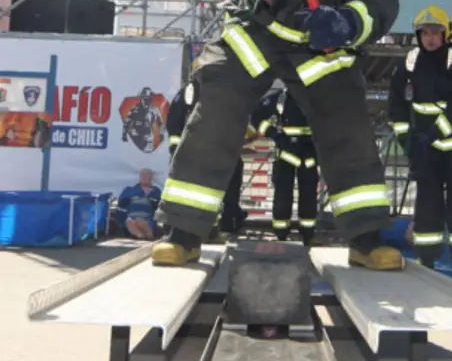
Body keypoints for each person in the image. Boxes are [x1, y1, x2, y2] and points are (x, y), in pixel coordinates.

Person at [152, 0, 403, 271]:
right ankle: (183, 232)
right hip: (259, 29)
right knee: (219, 103)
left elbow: (379, 6)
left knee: (347, 121)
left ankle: (365, 238)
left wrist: (345, 24)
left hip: (318, 46)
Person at [387, 4, 452, 273]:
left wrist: (436, 130)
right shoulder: (407, 63)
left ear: (446, 34)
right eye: (424, 33)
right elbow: (396, 105)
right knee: (427, 204)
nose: (429, 38)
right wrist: (407, 139)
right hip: (424, 149)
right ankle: (427, 256)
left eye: (435, 32)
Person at [166, 76, 249, 235]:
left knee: (225, 181)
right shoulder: (191, 92)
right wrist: (177, 149)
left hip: (215, 149)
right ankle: (184, 227)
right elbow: (174, 121)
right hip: (198, 151)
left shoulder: (223, 93)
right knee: (197, 191)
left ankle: (225, 221)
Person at [250, 87, 320, 246]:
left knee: (308, 192)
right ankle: (281, 233)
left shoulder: (317, 95)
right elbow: (256, 117)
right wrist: (274, 134)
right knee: (283, 192)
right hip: (287, 150)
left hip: (308, 151)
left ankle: (308, 233)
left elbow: (329, 120)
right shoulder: (280, 97)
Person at [116, 169, 162, 240]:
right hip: (132, 217)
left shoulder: (156, 191)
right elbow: (121, 204)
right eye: (142, 175)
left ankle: (150, 235)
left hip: (148, 218)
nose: (144, 177)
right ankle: (141, 236)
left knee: (140, 220)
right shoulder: (130, 190)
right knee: (129, 221)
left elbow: (160, 205)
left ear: (151, 177)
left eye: (146, 175)